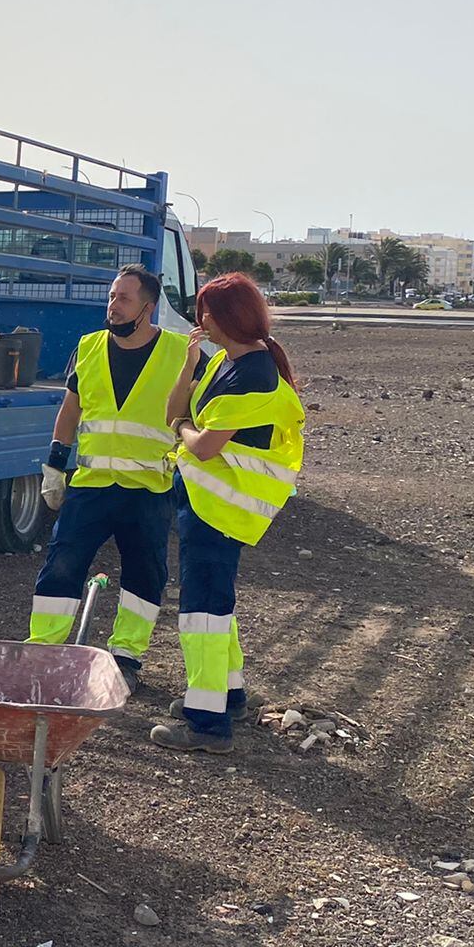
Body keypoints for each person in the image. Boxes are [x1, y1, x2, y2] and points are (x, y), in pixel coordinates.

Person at [150, 272, 305, 754]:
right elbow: (176, 413)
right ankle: (228, 695)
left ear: (224, 317)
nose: (201, 322)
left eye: (206, 313)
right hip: (208, 505)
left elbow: (203, 445)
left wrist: (181, 428)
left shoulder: (255, 375)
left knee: (203, 612)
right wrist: (189, 367)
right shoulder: (227, 363)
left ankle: (206, 722)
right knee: (216, 604)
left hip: (221, 510)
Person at [28, 265, 190, 679]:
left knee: (144, 573)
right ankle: (44, 651)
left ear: (148, 307)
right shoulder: (89, 346)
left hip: (149, 488)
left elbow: (199, 411)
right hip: (92, 484)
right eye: (112, 297)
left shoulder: (180, 352)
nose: (113, 307)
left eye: (124, 299)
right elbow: (71, 409)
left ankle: (126, 658)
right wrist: (54, 464)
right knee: (62, 564)